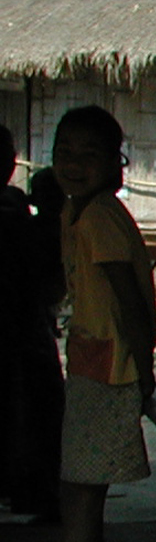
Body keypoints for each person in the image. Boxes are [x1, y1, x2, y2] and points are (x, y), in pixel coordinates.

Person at [3, 107, 155, 542]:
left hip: (108, 375)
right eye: (65, 152)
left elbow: (131, 303)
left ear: (115, 166)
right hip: (95, 370)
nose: (73, 164)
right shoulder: (78, 213)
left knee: (82, 511)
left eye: (88, 154)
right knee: (77, 508)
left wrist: (144, 375)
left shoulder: (99, 220)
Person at [0, 124, 65, 520]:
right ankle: (36, 491)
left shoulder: (20, 214)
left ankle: (36, 491)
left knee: (35, 412)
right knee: (35, 412)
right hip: (23, 329)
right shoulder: (17, 215)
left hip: (24, 327)